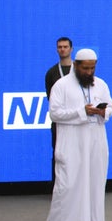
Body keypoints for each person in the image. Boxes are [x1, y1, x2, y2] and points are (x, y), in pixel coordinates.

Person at [44, 48, 112, 221]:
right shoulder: (61, 85)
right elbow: (55, 114)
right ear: (76, 65)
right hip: (71, 143)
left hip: (95, 142)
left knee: (90, 185)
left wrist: (102, 112)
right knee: (66, 186)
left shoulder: (100, 84)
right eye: (85, 68)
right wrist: (82, 111)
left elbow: (111, 106)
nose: (89, 72)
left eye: (92, 68)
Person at [45, 36, 74, 183]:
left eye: (65, 47)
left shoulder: (79, 71)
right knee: (59, 153)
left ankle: (76, 186)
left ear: (71, 49)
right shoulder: (51, 73)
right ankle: (57, 186)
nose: (62, 49)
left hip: (77, 120)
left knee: (77, 154)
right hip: (60, 121)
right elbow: (51, 98)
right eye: (60, 47)